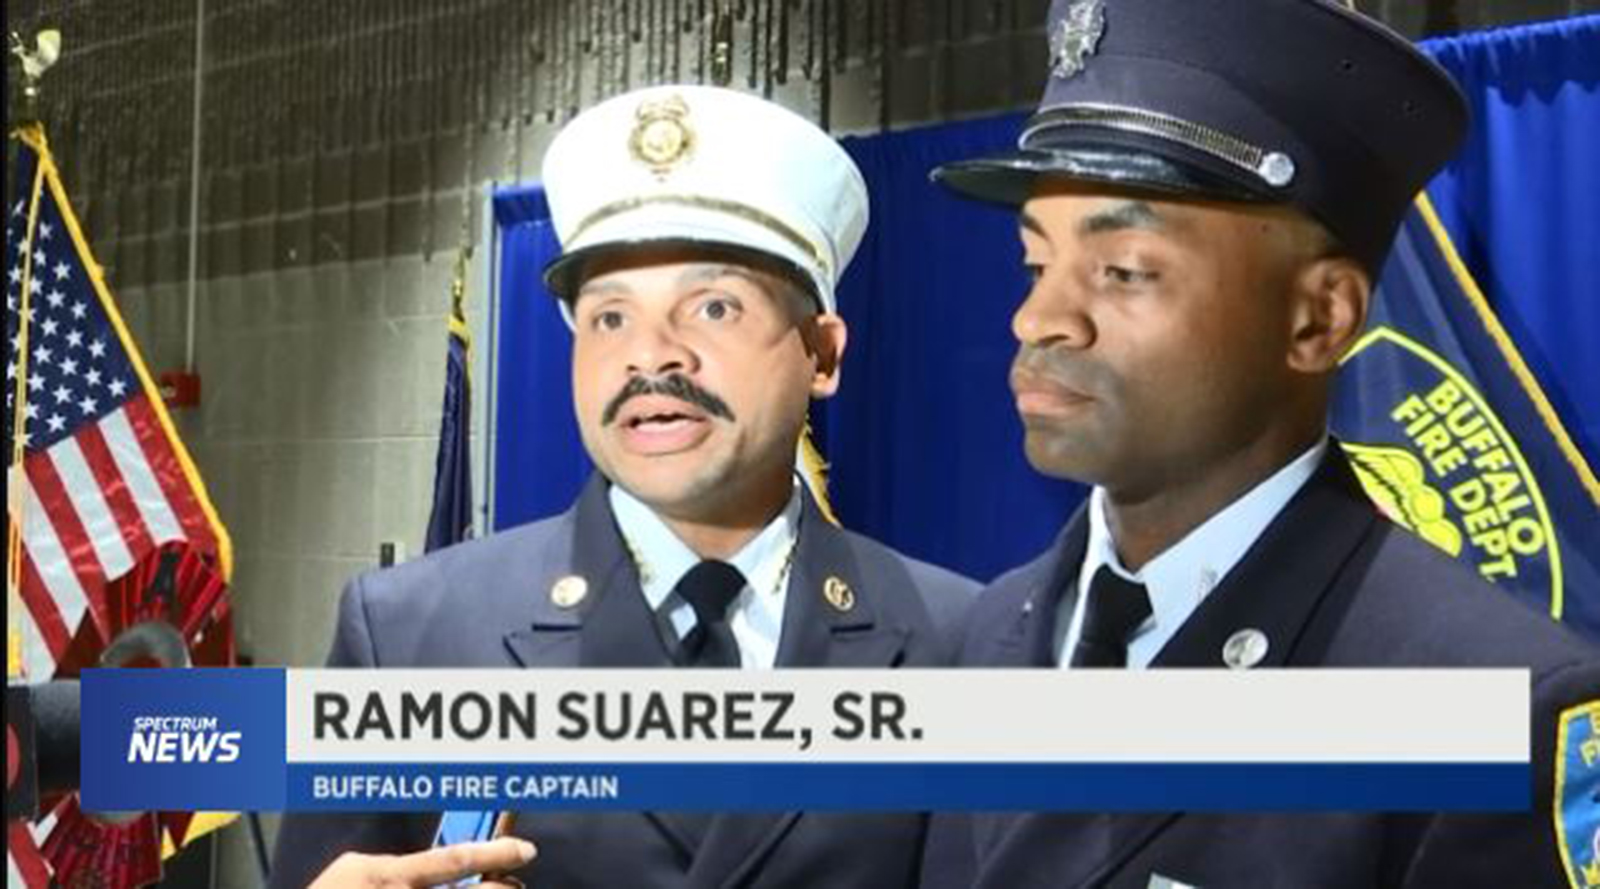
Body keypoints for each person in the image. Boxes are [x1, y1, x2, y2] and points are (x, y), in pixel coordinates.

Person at [924, 1, 1600, 887]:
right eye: (1033, 264)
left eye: (1123, 271)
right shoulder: (991, 630)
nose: (1038, 319)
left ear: (1318, 320)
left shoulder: (1493, 702)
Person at [270, 84, 976, 889]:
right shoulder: (408, 637)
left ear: (821, 353)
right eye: (610, 317)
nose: (653, 357)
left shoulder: (955, 643)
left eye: (713, 306)